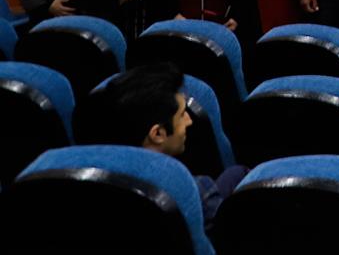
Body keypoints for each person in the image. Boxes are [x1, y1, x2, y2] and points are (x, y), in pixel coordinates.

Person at [90, 62, 246, 230]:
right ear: (157, 134)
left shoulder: (94, 176)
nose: (189, 120)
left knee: (235, 174)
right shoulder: (196, 190)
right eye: (182, 115)